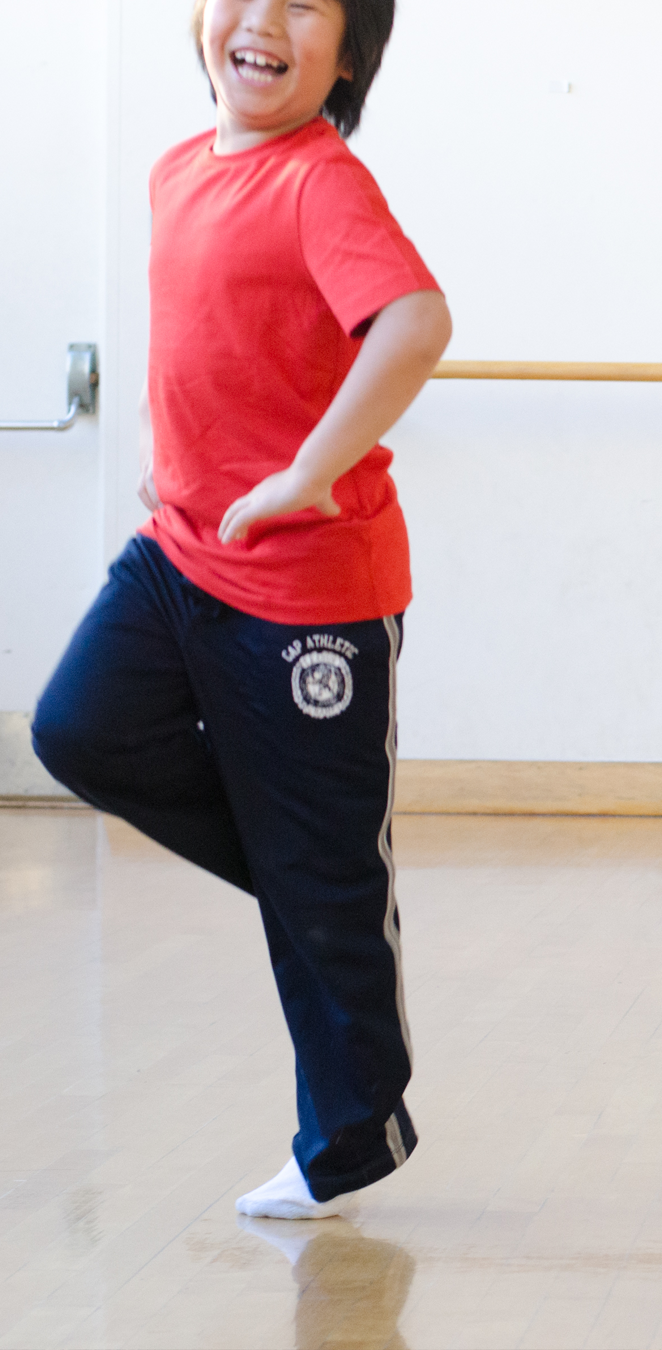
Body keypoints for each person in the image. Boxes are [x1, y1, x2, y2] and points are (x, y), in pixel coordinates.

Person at [31, 0, 452, 1216]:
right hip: (181, 553)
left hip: (311, 588)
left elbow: (415, 322)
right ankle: (321, 875)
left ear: (348, 56)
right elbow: (215, 347)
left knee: (324, 880)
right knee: (77, 730)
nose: (262, 21)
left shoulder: (322, 183)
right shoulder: (176, 168)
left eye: (306, 7)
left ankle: (354, 1137)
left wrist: (309, 472)